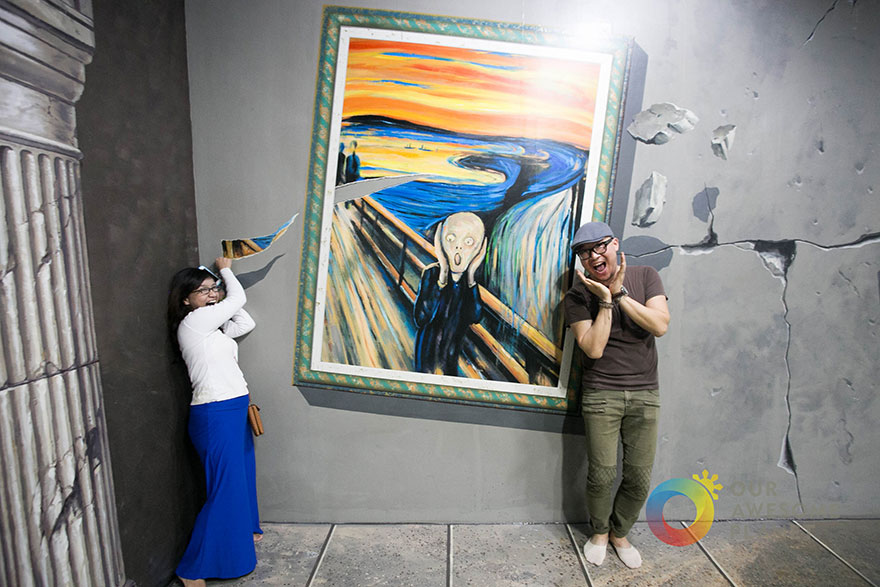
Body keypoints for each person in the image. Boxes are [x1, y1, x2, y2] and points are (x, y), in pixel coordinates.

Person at [563, 222, 670, 569]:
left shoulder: (646, 276)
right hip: (601, 396)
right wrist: (606, 301)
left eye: (599, 246)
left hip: (645, 394)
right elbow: (593, 348)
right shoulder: (577, 296)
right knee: (601, 475)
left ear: (615, 245)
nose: (593, 256)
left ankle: (620, 533)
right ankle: (599, 532)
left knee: (638, 477)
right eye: (584, 252)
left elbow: (660, 325)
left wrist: (621, 294)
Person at [166, 257, 262, 586]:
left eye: (213, 289)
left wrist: (219, 294)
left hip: (234, 407)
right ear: (185, 299)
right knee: (224, 487)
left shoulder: (212, 329)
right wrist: (225, 270)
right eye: (202, 291)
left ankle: (243, 531)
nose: (211, 294)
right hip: (214, 412)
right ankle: (191, 570)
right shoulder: (194, 323)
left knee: (242, 474)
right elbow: (238, 299)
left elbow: (245, 321)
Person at [413, 212, 487, 375]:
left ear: (479, 249)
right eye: (451, 238)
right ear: (441, 242)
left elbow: (475, 316)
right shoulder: (432, 274)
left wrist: (471, 276)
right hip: (426, 354)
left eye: (468, 241)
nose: (458, 247)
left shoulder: (468, 284)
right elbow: (421, 318)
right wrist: (443, 276)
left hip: (451, 356)